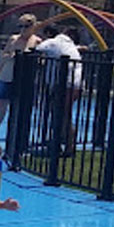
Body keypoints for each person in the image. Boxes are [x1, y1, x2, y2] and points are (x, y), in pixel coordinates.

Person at [0, 13, 43, 138]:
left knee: (22, 106)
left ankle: (19, 133)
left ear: (33, 26)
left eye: (26, 26)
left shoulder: (37, 41)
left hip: (25, 78)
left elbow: (41, 60)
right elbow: (4, 55)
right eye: (20, 26)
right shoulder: (13, 39)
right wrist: (11, 56)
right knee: (2, 103)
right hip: (8, 75)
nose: (23, 29)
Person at [34, 25, 84, 155]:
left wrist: (36, 42)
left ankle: (66, 145)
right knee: (64, 114)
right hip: (76, 85)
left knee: (61, 115)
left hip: (63, 84)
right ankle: (62, 142)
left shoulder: (53, 42)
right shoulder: (71, 46)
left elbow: (36, 49)